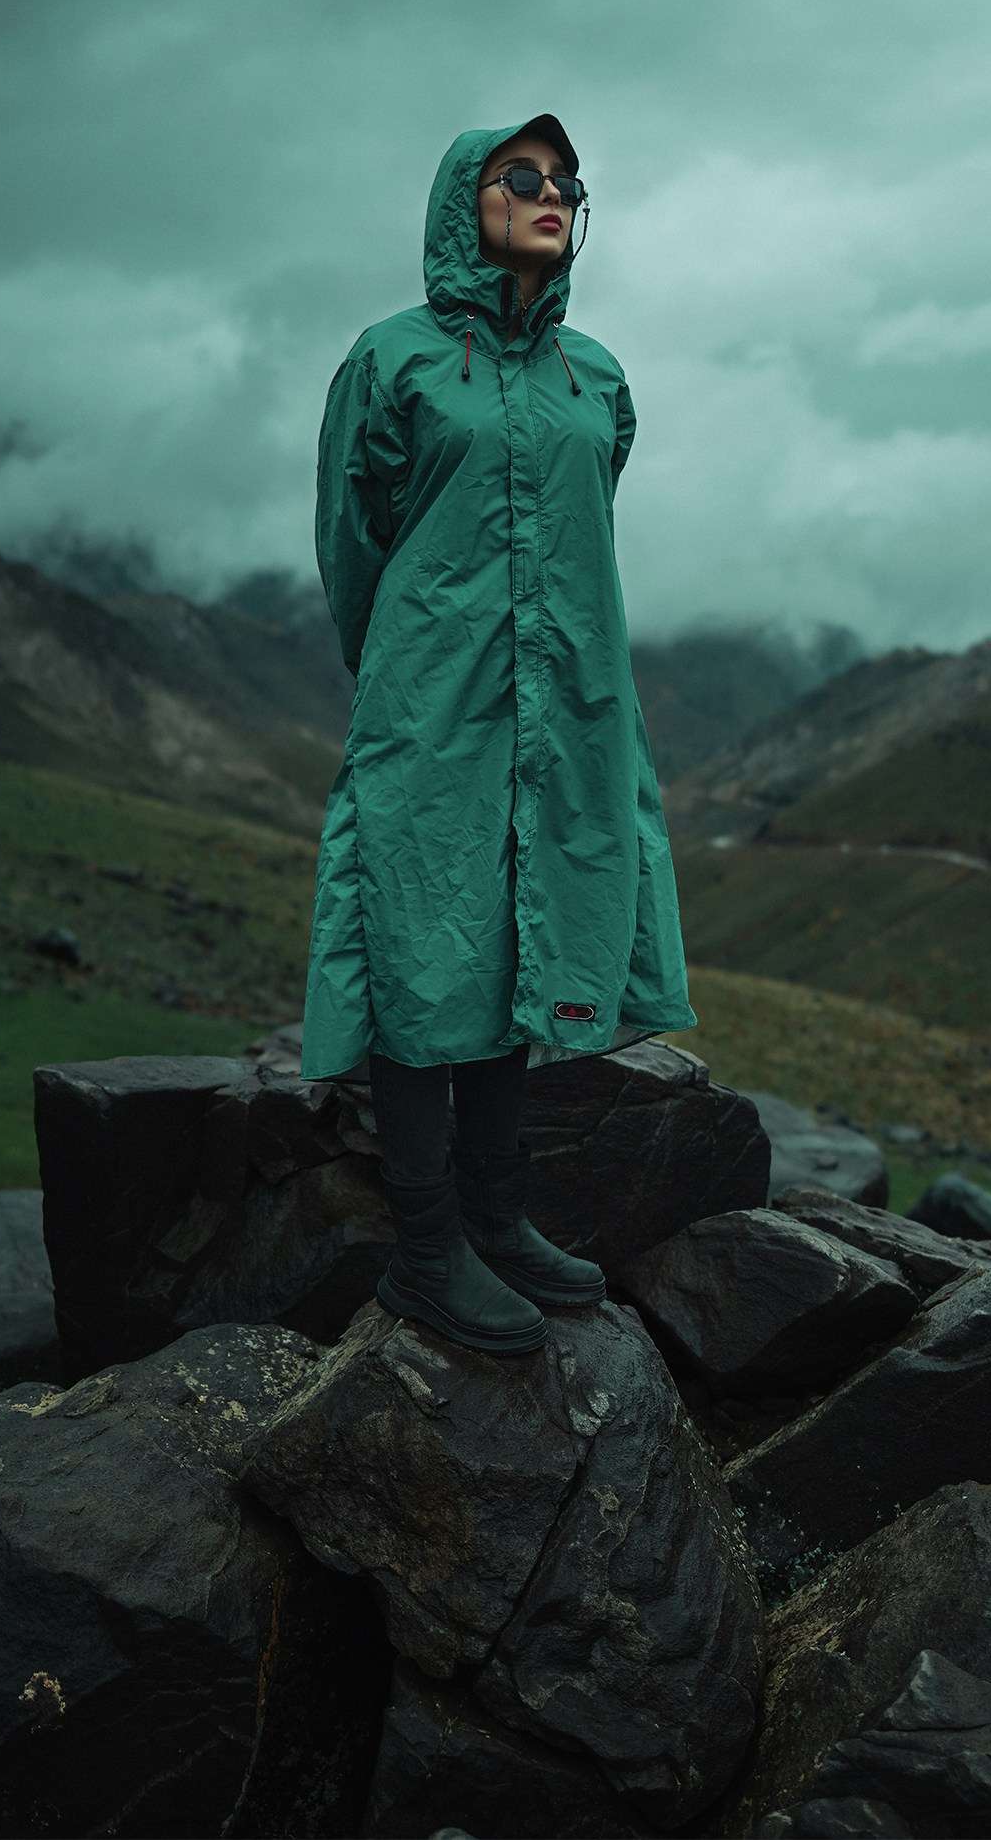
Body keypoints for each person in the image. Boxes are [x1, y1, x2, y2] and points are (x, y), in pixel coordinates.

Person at [303, 114, 697, 1356]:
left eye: (564, 182)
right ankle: (423, 1255)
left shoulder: (599, 377)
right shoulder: (392, 360)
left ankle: (497, 1219)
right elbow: (352, 540)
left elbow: (590, 510)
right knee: (427, 951)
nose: (547, 193)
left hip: (567, 703)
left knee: (513, 952)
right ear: (456, 202)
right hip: (433, 701)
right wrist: (417, 666)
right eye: (516, 176)